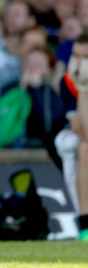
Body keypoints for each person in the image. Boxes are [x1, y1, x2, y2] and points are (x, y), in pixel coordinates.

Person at [57, 32, 88, 240]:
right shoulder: (69, 82)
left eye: (85, 58)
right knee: (83, 148)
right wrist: (83, 89)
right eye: (75, 56)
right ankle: (85, 224)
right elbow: (83, 131)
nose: (78, 63)